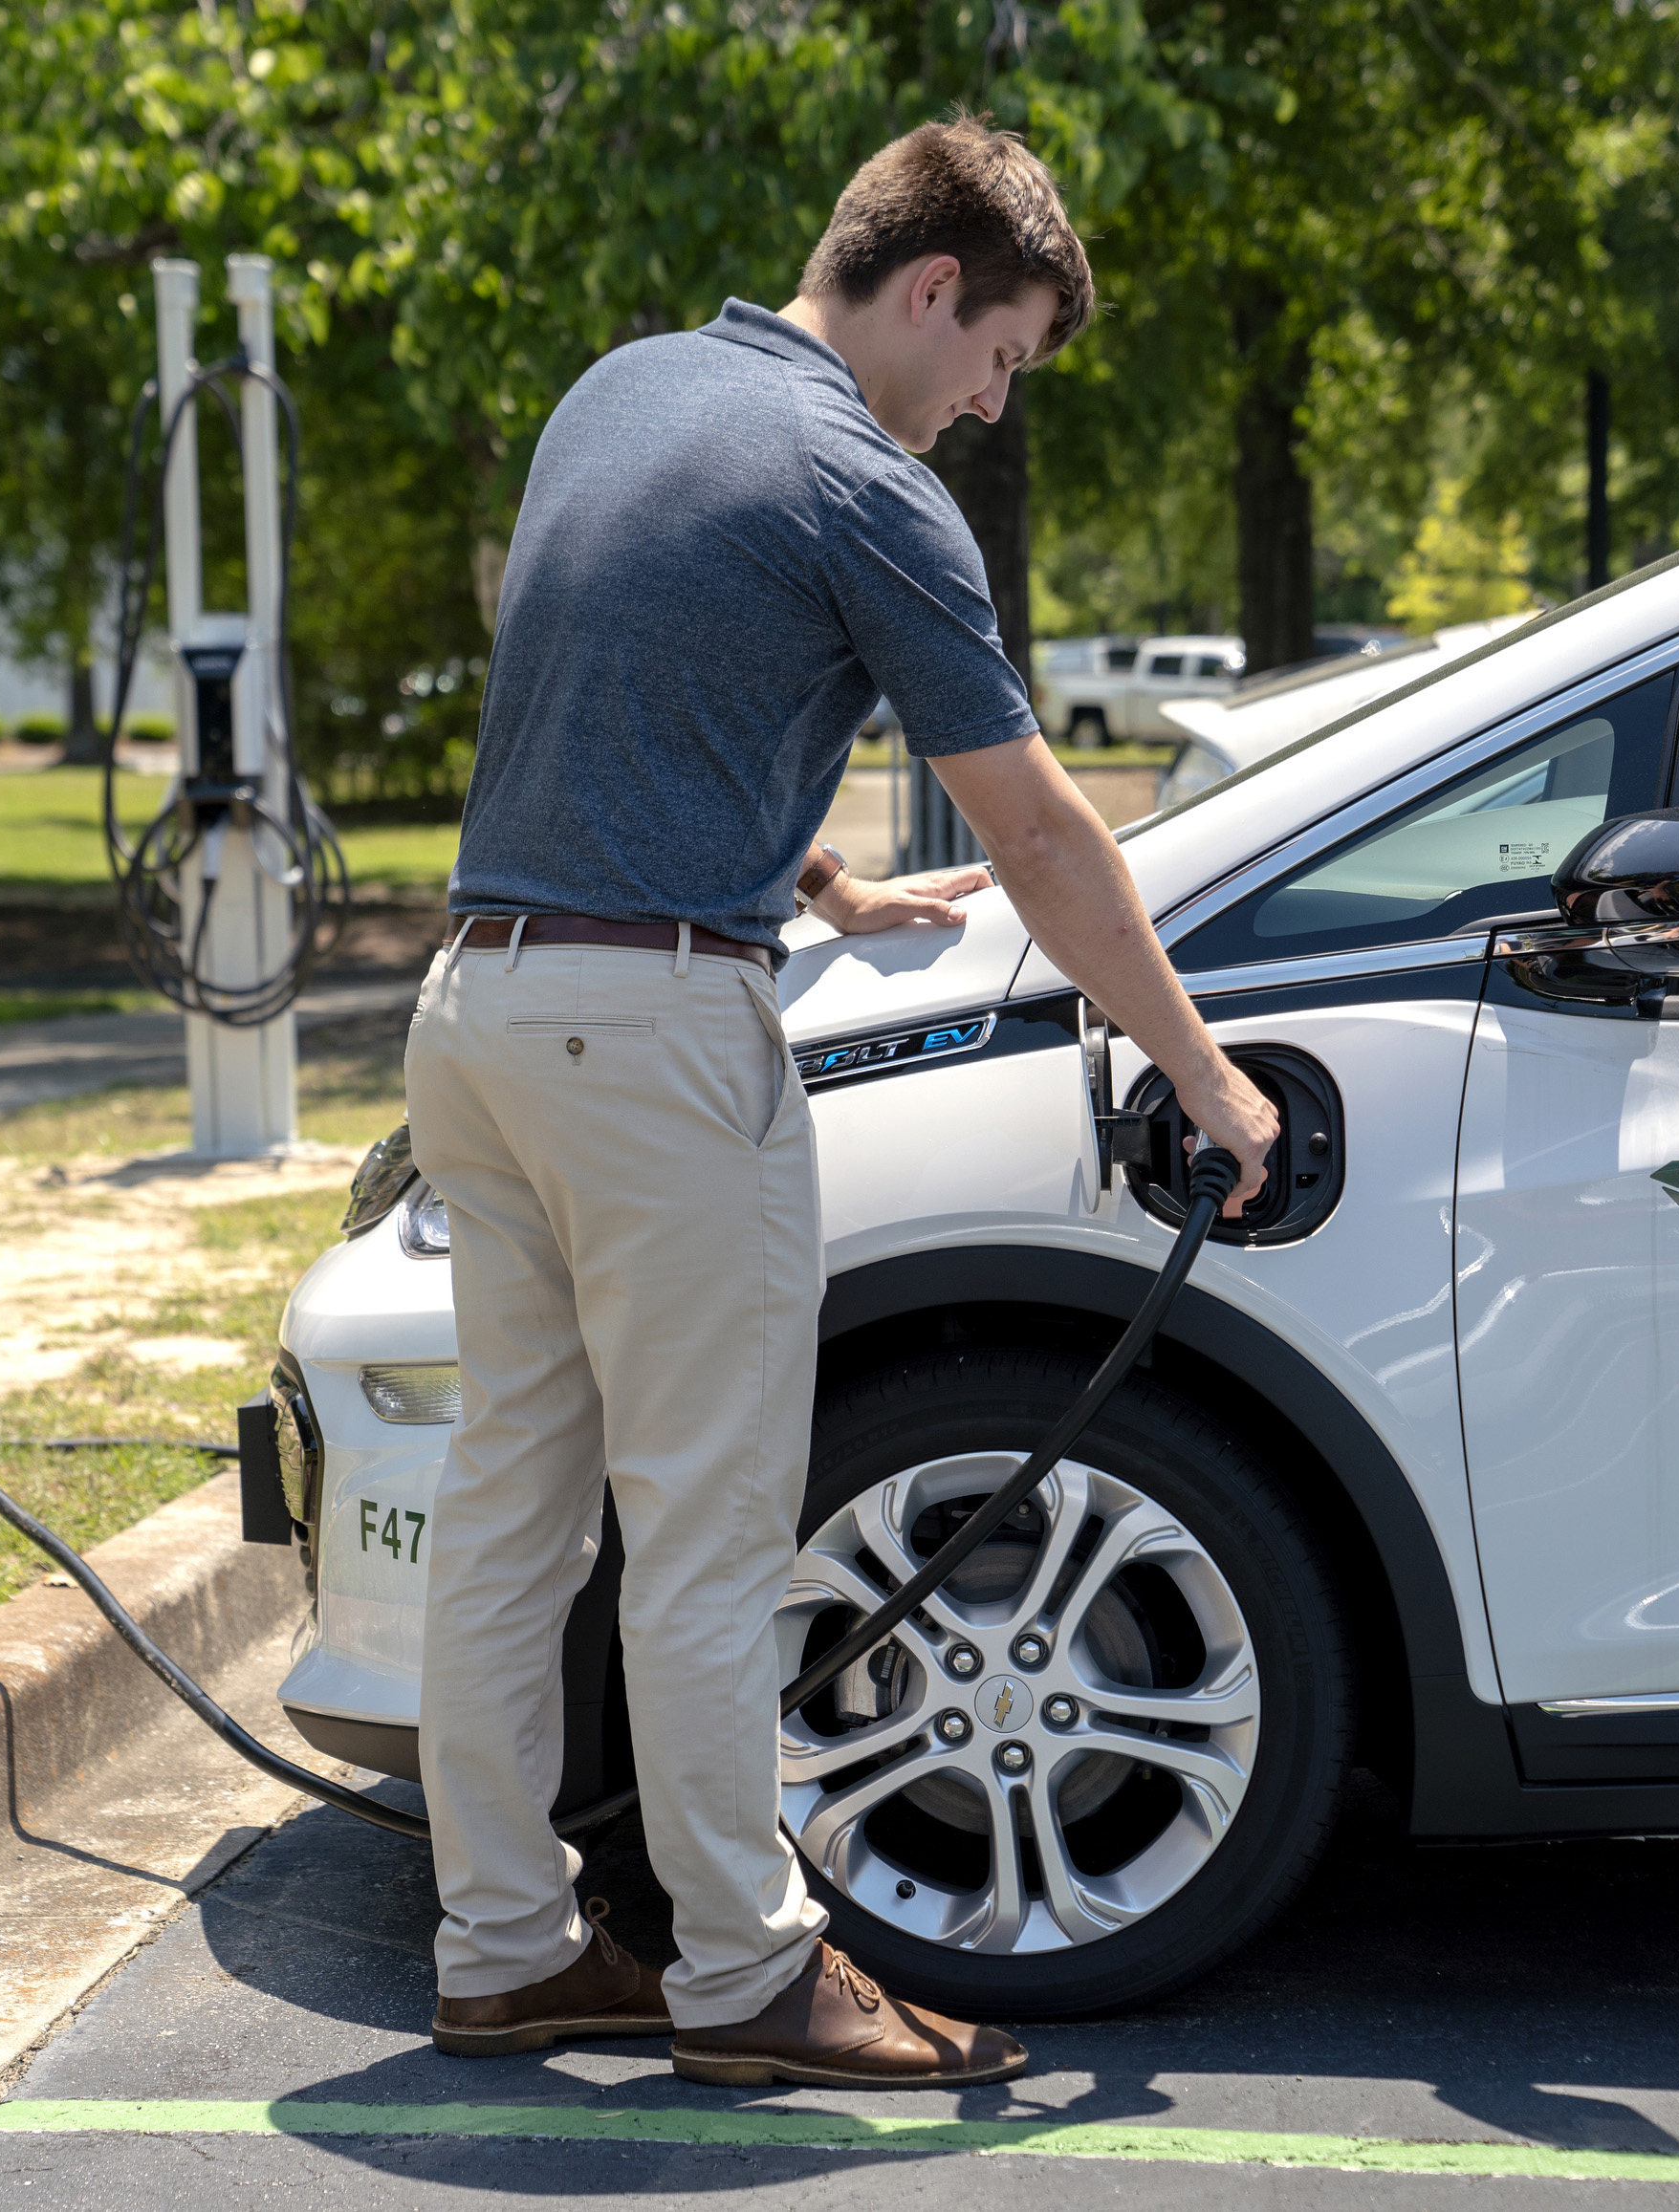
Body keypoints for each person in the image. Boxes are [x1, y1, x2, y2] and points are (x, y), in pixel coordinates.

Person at [404, 114, 1281, 2091]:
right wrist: (1205, 1072)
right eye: (1007, 356)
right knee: (707, 1541)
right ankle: (743, 1975)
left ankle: (503, 1945)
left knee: (510, 1524)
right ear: (933, 287)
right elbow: (1048, 840)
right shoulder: (865, 485)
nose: (992, 402)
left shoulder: (623, 392)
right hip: (653, 1050)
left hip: (480, 1008)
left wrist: (813, 876)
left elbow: (625, 680)